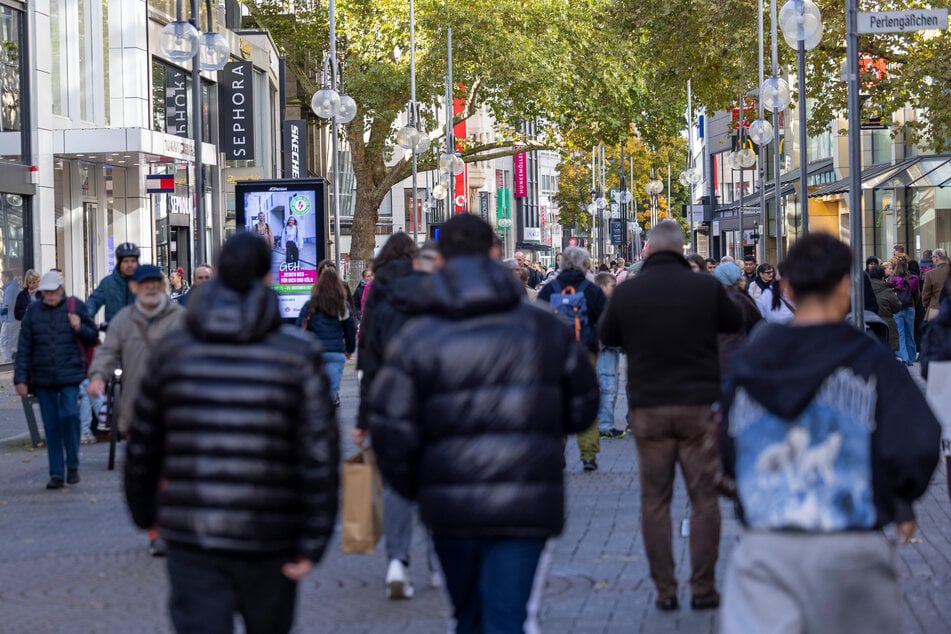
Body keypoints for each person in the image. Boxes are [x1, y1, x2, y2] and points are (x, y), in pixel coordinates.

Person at [368, 214, 598, 634]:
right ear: (495, 254)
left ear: (440, 260)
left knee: (468, 617)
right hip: (526, 500)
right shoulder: (544, 328)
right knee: (508, 618)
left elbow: (391, 430)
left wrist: (417, 486)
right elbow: (582, 409)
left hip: (450, 502)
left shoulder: (419, 338)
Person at [719, 233, 940, 634]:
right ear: (845, 284)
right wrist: (899, 498)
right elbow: (917, 438)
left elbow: (726, 441)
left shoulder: (752, 361)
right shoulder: (870, 358)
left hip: (767, 543)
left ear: (787, 287)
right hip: (851, 542)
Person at [125, 232, 339, 634]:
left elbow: (143, 442)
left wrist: (147, 513)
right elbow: (319, 454)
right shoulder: (296, 355)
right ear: (267, 276)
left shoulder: (174, 353)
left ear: (219, 274)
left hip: (192, 532)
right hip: (270, 532)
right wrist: (314, 538)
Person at [599, 219, 742, 612]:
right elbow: (735, 322)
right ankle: (703, 588)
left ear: (646, 250)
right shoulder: (706, 286)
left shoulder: (631, 291)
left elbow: (607, 335)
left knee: (655, 501)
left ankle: (664, 590)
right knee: (703, 498)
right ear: (682, 250)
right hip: (698, 405)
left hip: (648, 408)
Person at [353, 232, 424, 599]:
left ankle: (397, 560)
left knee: (396, 483)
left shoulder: (377, 290)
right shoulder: (431, 287)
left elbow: (369, 356)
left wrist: (363, 419)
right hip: (430, 397)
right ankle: (442, 561)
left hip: (389, 398)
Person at [14, 271, 98, 490]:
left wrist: (79, 327)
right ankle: (57, 473)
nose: (50, 296)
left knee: (70, 416)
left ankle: (72, 465)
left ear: (61, 290)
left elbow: (93, 335)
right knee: (51, 426)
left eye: (53, 291)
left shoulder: (75, 306)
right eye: (46, 292)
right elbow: (24, 348)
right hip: (43, 378)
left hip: (70, 375)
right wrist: (20, 378)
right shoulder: (33, 312)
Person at [536, 246, 607, 471]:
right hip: (586, 351)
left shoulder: (549, 289)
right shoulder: (592, 290)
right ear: (586, 265)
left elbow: (538, 322)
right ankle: (588, 455)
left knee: (557, 401)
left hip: (556, 353)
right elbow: (604, 320)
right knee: (588, 399)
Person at [296, 268, 356, 406]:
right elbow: (349, 330)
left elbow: (298, 325)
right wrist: (349, 349)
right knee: (332, 392)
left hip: (316, 351)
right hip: (336, 351)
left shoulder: (311, 304)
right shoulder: (343, 306)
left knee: (316, 390)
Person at [713, 261, 762, 376]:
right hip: (736, 353)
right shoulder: (739, 297)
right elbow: (757, 321)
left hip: (715, 356)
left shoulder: (712, 296)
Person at [594, 271, 625, 439]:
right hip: (605, 350)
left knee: (608, 386)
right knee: (608, 387)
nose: (615, 288)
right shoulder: (603, 305)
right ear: (602, 286)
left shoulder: (605, 303)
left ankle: (604, 423)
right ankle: (604, 425)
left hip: (609, 350)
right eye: (612, 286)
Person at [87, 242, 139, 324]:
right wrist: (86, 317)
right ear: (119, 263)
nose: (130, 265)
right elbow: (93, 302)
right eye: (125, 261)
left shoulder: (144, 282)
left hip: (141, 333)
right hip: (114, 332)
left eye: (133, 261)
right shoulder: (107, 283)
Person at [889, 258, 920, 366]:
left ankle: (904, 358)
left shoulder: (892, 279)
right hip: (910, 308)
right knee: (910, 334)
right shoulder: (913, 279)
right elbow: (917, 295)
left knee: (900, 334)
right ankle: (911, 358)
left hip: (898, 309)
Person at [869, 265, 902, 353]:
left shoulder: (863, 289)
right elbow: (897, 307)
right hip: (886, 326)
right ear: (882, 276)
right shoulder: (887, 290)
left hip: (868, 325)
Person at [922, 248, 948, 322]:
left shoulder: (930, 274)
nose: (932, 259)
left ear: (936, 258)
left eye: (932, 257)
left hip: (935, 308)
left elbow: (925, 294)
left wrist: (926, 306)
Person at [0, 269, 20, 363]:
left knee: (4, 342)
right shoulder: (14, 287)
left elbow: (7, 305)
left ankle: (7, 363)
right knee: (12, 343)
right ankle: (13, 361)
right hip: (14, 319)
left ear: (7, 278)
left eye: (2, 277)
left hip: (9, 320)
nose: (1, 279)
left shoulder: (10, 289)